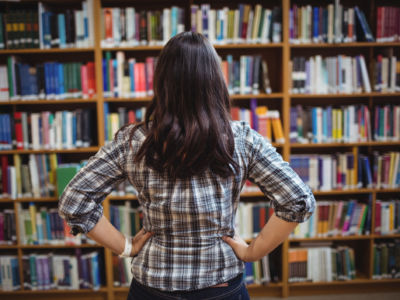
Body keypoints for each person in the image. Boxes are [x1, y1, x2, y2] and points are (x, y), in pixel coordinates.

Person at [58, 31, 315, 300]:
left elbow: (74, 201)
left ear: (162, 82)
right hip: (221, 285)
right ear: (215, 81)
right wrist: (254, 252)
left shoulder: (133, 141)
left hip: (153, 287)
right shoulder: (242, 139)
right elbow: (297, 200)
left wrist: (125, 246)